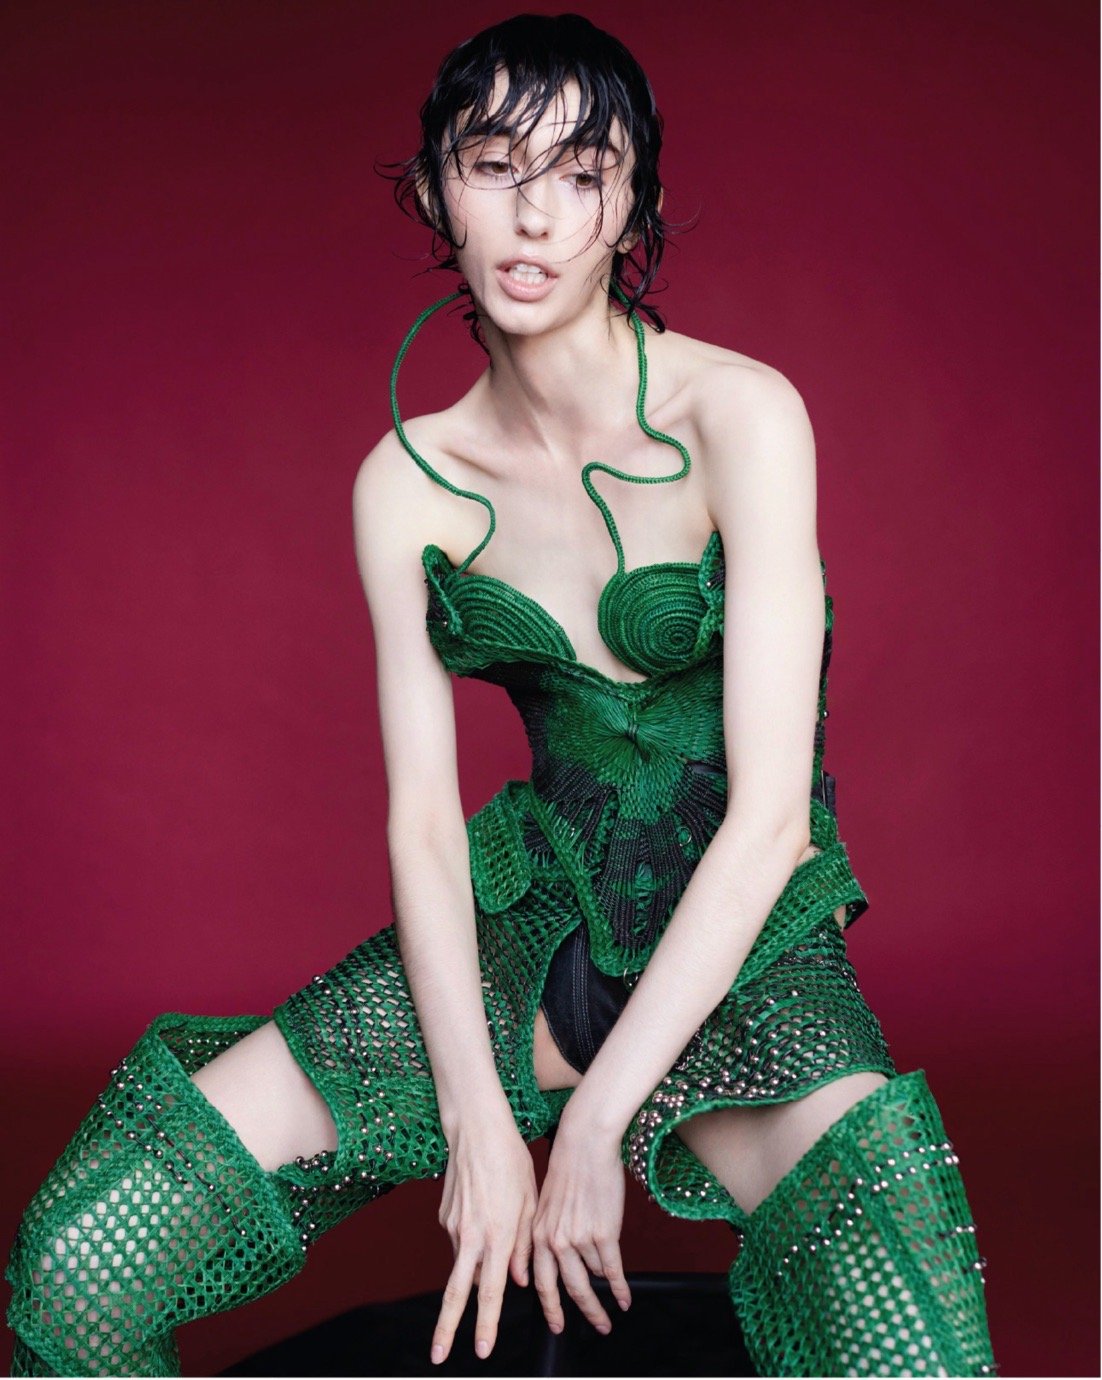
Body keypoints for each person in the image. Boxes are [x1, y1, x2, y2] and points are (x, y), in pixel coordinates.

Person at [4, 13, 998, 1377]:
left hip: (748, 959)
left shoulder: (741, 416)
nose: (534, 216)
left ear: (630, 206)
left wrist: (590, 1129)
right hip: (527, 940)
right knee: (76, 1262)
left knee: (917, 1358)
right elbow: (423, 820)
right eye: (493, 164)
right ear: (434, 192)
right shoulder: (406, 480)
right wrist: (478, 1118)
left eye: (581, 174)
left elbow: (771, 820)